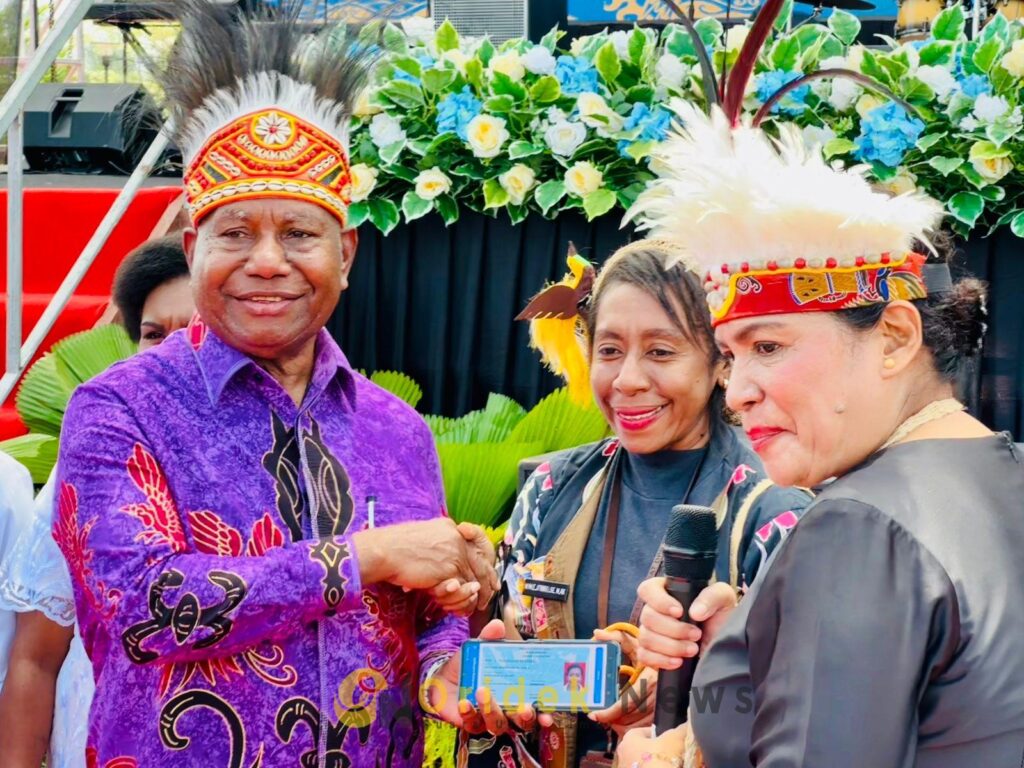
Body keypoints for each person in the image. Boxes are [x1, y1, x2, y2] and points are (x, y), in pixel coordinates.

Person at [53, 4, 496, 766]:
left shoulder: (397, 429)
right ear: (193, 246)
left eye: (298, 233)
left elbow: (426, 623)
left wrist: (450, 637)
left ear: (345, 254)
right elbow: (148, 608)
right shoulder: (119, 409)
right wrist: (367, 556)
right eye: (235, 233)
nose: (266, 262)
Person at [618, 98, 1024, 766]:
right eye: (731, 357)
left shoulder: (857, 527)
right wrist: (763, 647)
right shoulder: (1004, 472)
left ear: (894, 338)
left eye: (768, 346)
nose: (737, 391)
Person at [456, 241, 811, 768]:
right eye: (609, 350)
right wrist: (473, 606)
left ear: (721, 361)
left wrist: (698, 689)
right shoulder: (551, 488)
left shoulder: (772, 515)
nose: (627, 379)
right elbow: (503, 642)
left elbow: (805, 708)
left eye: (661, 352)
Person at [0, 235, 195, 768]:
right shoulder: (91, 460)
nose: (174, 351)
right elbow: (36, 657)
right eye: (154, 335)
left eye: (196, 330)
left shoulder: (298, 459)